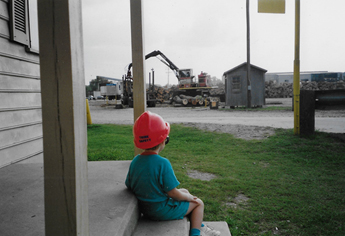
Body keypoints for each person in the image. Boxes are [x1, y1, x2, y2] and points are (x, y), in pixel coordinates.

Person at [125, 111, 220, 236]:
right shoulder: (163, 163)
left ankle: (199, 225)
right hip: (160, 211)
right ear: (163, 140)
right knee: (198, 203)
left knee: (184, 191)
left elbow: (129, 184)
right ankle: (196, 233)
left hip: (145, 208)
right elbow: (173, 193)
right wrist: (190, 198)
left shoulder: (135, 161)